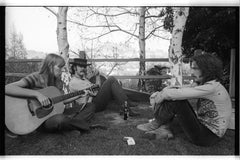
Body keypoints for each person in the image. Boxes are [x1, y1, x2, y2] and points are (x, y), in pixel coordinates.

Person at [137, 53, 232, 146]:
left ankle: (157, 123)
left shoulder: (211, 88)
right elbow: (179, 89)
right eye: (192, 68)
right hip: (206, 131)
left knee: (177, 101)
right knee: (175, 107)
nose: (191, 72)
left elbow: (174, 94)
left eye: (195, 68)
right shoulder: (208, 84)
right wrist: (163, 91)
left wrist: (157, 97)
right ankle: (164, 130)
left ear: (207, 69)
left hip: (206, 137)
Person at [5, 54, 97, 138]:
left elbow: (61, 100)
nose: (62, 70)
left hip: (55, 113)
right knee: (60, 119)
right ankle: (78, 125)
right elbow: (8, 88)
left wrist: (80, 94)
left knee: (90, 106)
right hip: (41, 121)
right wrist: (37, 95)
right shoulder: (36, 77)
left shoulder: (58, 82)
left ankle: (69, 127)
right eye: (60, 67)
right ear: (50, 66)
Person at [68, 57, 139, 120]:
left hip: (96, 101)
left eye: (84, 66)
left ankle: (126, 104)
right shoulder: (74, 82)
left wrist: (97, 75)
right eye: (80, 66)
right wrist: (102, 88)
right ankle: (126, 107)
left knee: (112, 84)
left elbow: (97, 87)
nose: (83, 68)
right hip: (90, 106)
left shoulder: (83, 79)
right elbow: (95, 92)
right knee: (111, 79)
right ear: (74, 68)